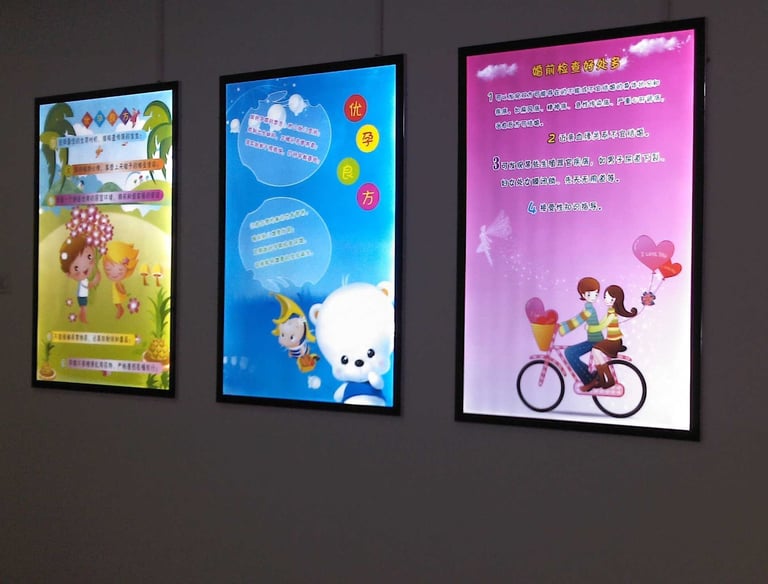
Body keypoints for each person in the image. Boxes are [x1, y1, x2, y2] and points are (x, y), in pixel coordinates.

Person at [583, 284, 638, 390]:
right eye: (605, 297)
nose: (606, 300)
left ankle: (609, 379)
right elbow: (601, 323)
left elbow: (602, 326)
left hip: (614, 341)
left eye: (610, 298)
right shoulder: (610, 311)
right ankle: (602, 380)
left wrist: (590, 328)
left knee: (596, 350)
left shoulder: (612, 314)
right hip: (611, 340)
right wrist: (592, 327)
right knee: (595, 352)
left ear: (615, 300)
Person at [558, 276, 603, 387]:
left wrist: (563, 328)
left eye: (595, 293)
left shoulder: (589, 309)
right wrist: (561, 325)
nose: (593, 296)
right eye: (590, 294)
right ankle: (590, 376)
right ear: (583, 295)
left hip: (595, 341)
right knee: (571, 352)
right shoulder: (588, 307)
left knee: (570, 353)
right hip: (594, 340)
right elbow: (577, 319)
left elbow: (578, 321)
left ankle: (588, 379)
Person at [59, 235, 101, 323]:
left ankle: (83, 312)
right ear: (69, 274)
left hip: (85, 294)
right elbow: (88, 286)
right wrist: (93, 282)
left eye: (89, 257)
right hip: (83, 294)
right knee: (83, 301)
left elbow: (95, 279)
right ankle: (83, 312)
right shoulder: (83, 282)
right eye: (76, 268)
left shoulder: (92, 272)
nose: (85, 267)